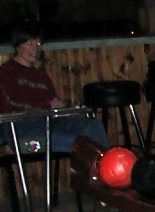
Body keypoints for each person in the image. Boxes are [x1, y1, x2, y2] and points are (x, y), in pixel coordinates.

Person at [0, 25, 109, 154]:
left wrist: (64, 109)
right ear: (18, 46)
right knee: (77, 141)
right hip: (21, 129)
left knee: (93, 126)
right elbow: (11, 104)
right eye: (30, 43)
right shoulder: (6, 72)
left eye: (38, 43)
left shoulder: (41, 76)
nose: (36, 48)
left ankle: (104, 171)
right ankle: (98, 170)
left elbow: (52, 104)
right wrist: (46, 106)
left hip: (50, 122)